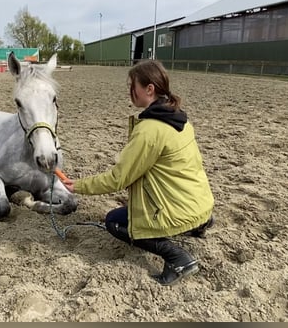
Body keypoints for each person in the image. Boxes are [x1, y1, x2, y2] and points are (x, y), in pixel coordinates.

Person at [60, 60, 215, 286]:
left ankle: (177, 258)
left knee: (114, 222)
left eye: (132, 85)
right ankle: (199, 223)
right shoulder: (179, 117)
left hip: (177, 209)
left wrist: (80, 186)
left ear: (149, 89)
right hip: (201, 205)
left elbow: (118, 179)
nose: (129, 91)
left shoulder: (150, 129)